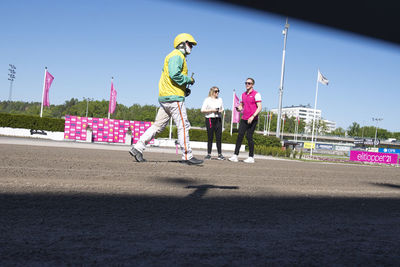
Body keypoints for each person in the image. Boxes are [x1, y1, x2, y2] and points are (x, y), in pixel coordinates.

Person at [129, 33, 203, 165]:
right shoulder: (177, 56)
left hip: (165, 97)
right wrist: (189, 80)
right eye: (189, 44)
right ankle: (187, 155)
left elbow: (170, 77)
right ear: (182, 44)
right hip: (174, 98)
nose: (191, 46)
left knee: (157, 126)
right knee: (183, 126)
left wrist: (184, 88)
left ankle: (138, 148)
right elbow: (175, 75)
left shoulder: (171, 56)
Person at [229, 78, 262, 163]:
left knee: (249, 136)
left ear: (252, 85)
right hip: (244, 118)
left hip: (253, 119)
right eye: (246, 83)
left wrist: (253, 116)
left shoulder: (256, 94)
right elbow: (241, 105)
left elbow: (260, 107)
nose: (247, 84)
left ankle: (251, 157)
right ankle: (235, 156)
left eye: (249, 83)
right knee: (240, 136)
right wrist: (239, 108)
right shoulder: (243, 94)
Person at [201, 86, 225, 160]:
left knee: (219, 137)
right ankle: (209, 154)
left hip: (218, 119)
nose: (217, 93)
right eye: (215, 91)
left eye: (218, 91)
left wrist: (220, 111)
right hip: (210, 119)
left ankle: (220, 154)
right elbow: (202, 110)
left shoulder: (220, 99)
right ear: (212, 92)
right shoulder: (207, 100)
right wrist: (212, 110)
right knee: (210, 137)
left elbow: (222, 108)